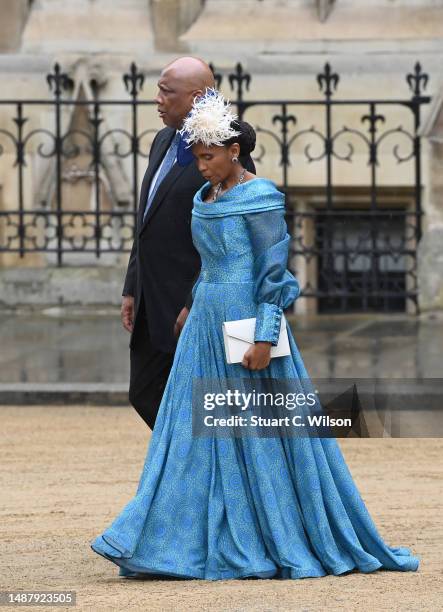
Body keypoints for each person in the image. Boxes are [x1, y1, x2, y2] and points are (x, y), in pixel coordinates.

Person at [91, 90, 420, 580]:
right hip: (205, 325)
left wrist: (266, 337)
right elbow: (209, 263)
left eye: (208, 157)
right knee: (189, 433)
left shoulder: (261, 196)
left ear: (234, 151)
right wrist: (189, 305)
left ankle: (273, 532)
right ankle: (175, 537)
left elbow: (274, 273)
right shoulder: (206, 197)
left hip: (248, 324)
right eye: (197, 157)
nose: (200, 167)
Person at [121, 57, 255, 430]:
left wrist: (194, 300)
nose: (157, 99)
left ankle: (202, 475)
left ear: (196, 97)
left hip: (197, 304)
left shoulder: (225, 153)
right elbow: (147, 222)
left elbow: (234, 241)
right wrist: (132, 286)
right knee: (146, 392)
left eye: (167, 92)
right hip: (153, 297)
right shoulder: (164, 139)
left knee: (208, 400)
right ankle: (190, 466)